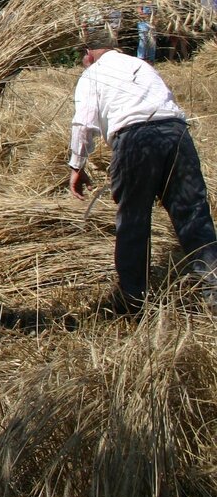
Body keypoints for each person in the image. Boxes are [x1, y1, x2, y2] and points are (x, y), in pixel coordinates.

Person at [69, 34, 217, 314]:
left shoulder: (93, 74)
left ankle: (134, 303)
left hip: (136, 139)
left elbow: (83, 124)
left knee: (133, 221)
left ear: (89, 53)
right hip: (177, 134)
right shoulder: (141, 65)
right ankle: (215, 289)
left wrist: (77, 165)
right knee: (194, 216)